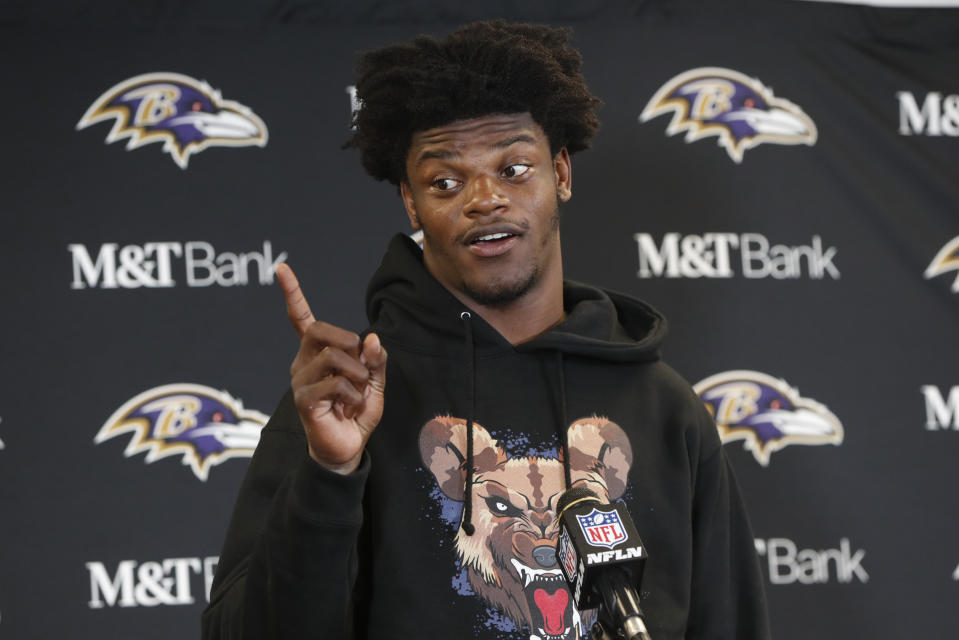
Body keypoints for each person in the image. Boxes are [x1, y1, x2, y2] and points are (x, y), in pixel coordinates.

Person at [202, 20, 770, 640]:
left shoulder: (664, 407)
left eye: (515, 168)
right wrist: (329, 475)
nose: (484, 198)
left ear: (562, 173)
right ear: (411, 203)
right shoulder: (353, 398)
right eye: (445, 181)